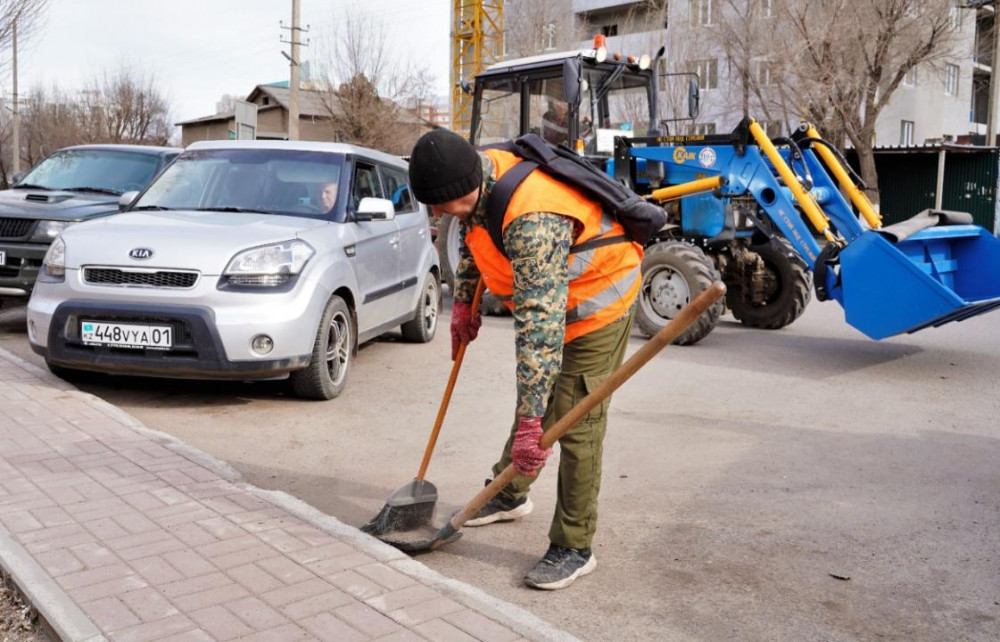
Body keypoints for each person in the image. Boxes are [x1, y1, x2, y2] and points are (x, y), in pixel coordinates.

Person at [407, 129, 642, 590]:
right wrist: (463, 302)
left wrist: (535, 422)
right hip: (555, 305)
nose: (437, 214)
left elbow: (540, 329)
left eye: (441, 206)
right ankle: (509, 493)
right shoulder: (480, 175)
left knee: (575, 420)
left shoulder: (532, 221)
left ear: (467, 186)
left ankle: (575, 545)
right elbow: (477, 235)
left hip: (599, 303)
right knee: (534, 396)